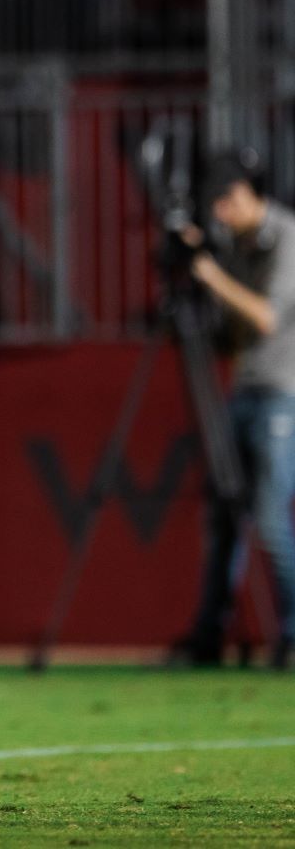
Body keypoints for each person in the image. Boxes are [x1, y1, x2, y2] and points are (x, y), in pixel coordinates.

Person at [175, 151, 295, 668]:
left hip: (283, 393)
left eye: (227, 201)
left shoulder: (287, 237)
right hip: (244, 390)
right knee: (224, 517)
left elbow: (267, 318)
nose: (220, 212)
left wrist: (211, 275)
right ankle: (209, 636)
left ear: (251, 194)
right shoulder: (236, 245)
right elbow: (231, 337)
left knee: (270, 518)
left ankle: (293, 634)